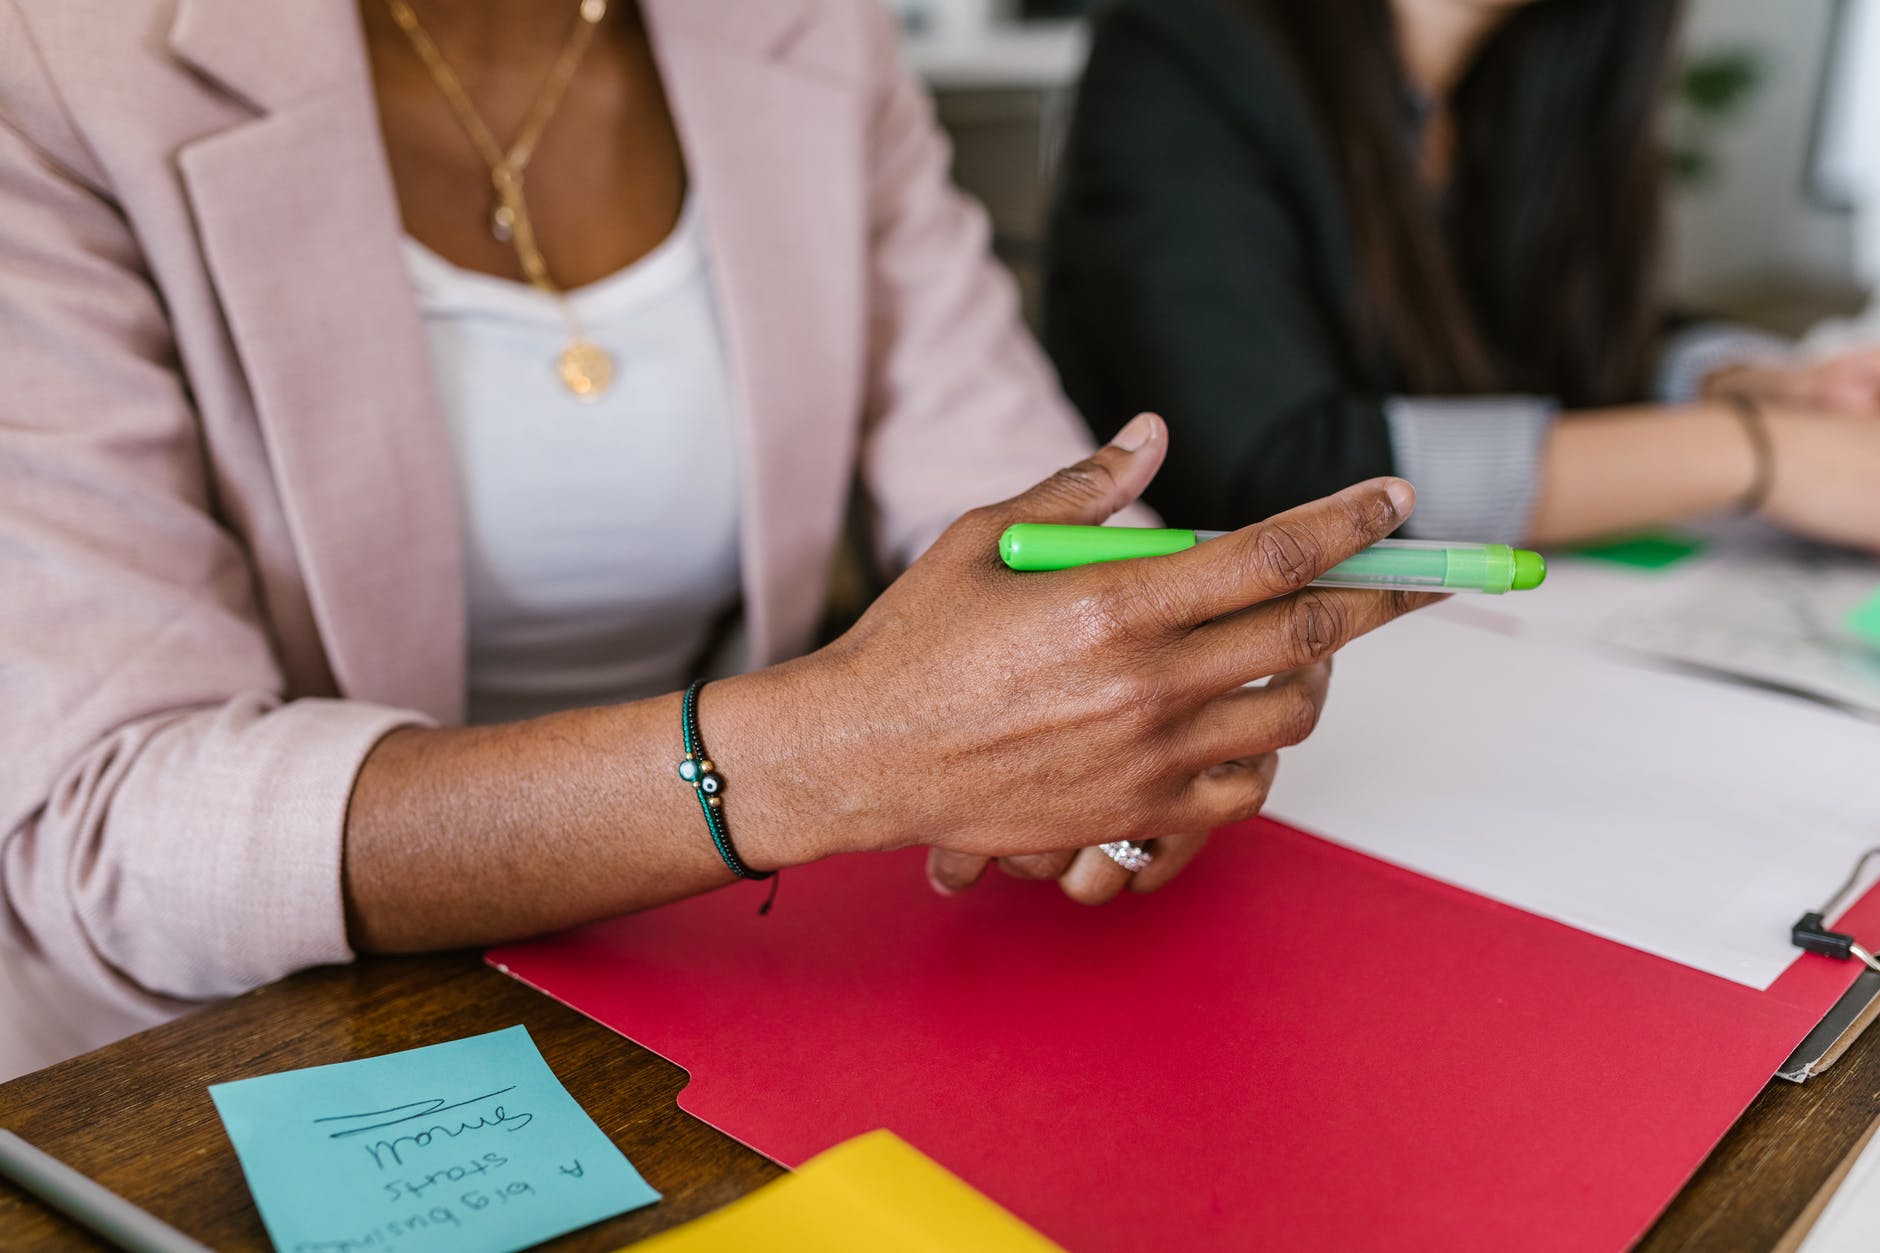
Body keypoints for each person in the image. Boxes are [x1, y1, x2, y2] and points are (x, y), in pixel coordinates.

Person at [0, 0, 1430, 1079]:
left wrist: (1131, 694)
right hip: (236, 1039)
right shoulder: (59, 61)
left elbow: (1016, 494)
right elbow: (109, 821)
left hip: (717, 974)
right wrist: (828, 749)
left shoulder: (806, 29)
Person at [1046, 0, 1880, 551]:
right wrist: (1758, 454)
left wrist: (1746, 381)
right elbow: (1278, 473)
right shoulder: (1183, 44)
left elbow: (1568, 343)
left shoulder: (1529, 81)